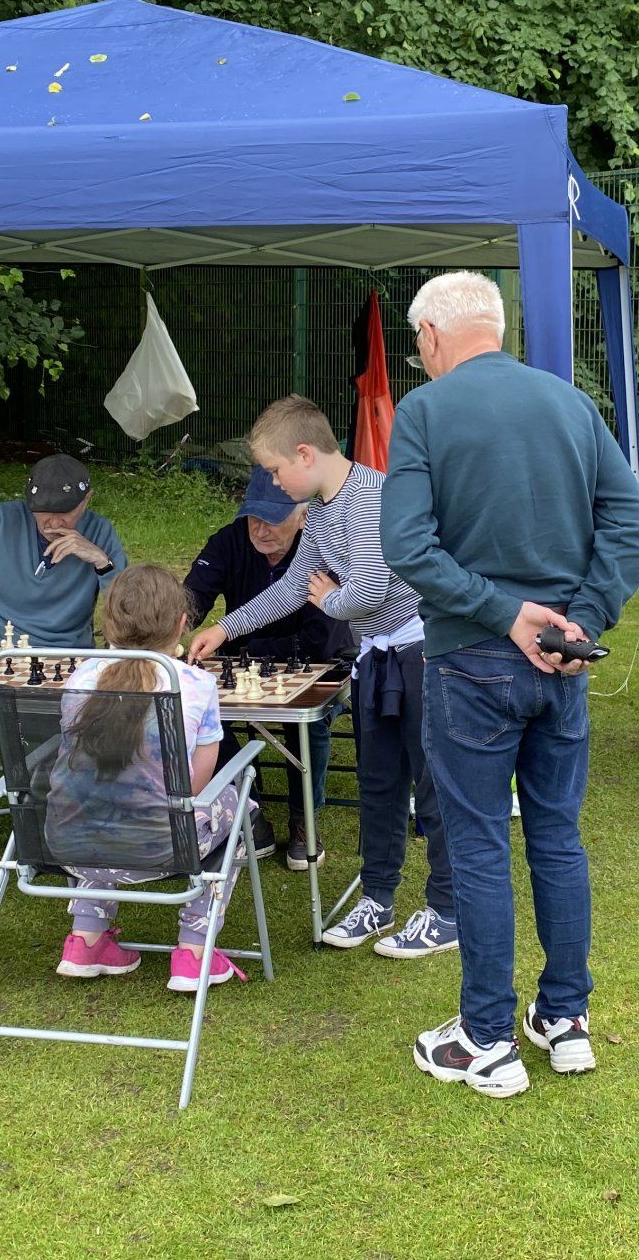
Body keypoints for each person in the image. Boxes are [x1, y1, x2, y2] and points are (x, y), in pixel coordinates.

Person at [383, 270, 639, 1099]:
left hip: (471, 659)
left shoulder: (424, 411)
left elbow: (407, 546)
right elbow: (632, 520)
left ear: (432, 335)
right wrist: (582, 621)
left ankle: (487, 1038)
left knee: (477, 845)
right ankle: (565, 1018)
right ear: (495, 326)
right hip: (561, 663)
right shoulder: (570, 404)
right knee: (558, 837)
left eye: (417, 343)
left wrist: (504, 614)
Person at [189, 396, 456, 962]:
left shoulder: (373, 497)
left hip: (421, 652)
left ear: (305, 454)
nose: (274, 483)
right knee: (378, 784)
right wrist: (224, 628)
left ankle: (447, 910)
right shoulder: (319, 510)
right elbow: (294, 588)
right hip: (375, 657)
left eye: (275, 470)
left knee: (432, 785)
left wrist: (332, 600)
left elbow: (370, 589)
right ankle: (378, 898)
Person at [48, 565, 248, 992]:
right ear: (181, 623)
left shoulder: (80, 677)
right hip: (161, 846)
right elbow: (194, 787)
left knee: (99, 803)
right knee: (236, 802)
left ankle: (86, 940)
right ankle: (193, 952)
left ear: (109, 622)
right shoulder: (195, 684)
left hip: (69, 842)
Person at [184, 467, 354, 870]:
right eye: (253, 517)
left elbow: (321, 641)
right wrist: (173, 621)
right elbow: (191, 598)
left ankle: (304, 817)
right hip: (244, 663)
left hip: (317, 664)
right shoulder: (229, 540)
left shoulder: (326, 550)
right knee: (205, 714)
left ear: (304, 516)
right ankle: (251, 810)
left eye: (272, 519)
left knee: (308, 722)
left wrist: (244, 646)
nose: (259, 529)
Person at [0, 453, 126, 648]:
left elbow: (131, 615)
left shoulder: (100, 531)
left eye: (65, 512)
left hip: (73, 657)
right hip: (1, 655)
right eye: (43, 511)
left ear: (86, 500)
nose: (53, 524)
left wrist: (103, 563)